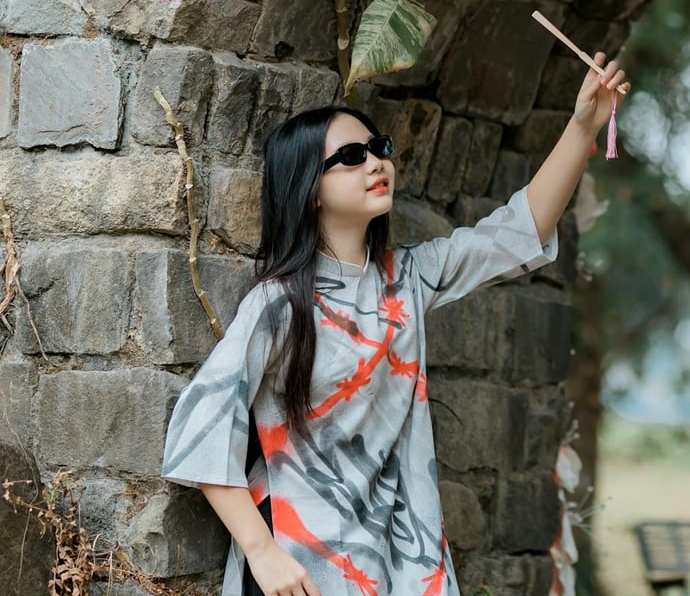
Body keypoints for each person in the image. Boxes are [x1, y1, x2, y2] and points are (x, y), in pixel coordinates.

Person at [160, 53, 628, 596]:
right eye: (352, 157)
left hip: (402, 557)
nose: (375, 163)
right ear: (308, 187)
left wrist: (582, 126)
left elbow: (518, 231)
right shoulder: (280, 303)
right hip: (301, 565)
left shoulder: (408, 277)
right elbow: (200, 426)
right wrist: (262, 554)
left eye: (379, 149)